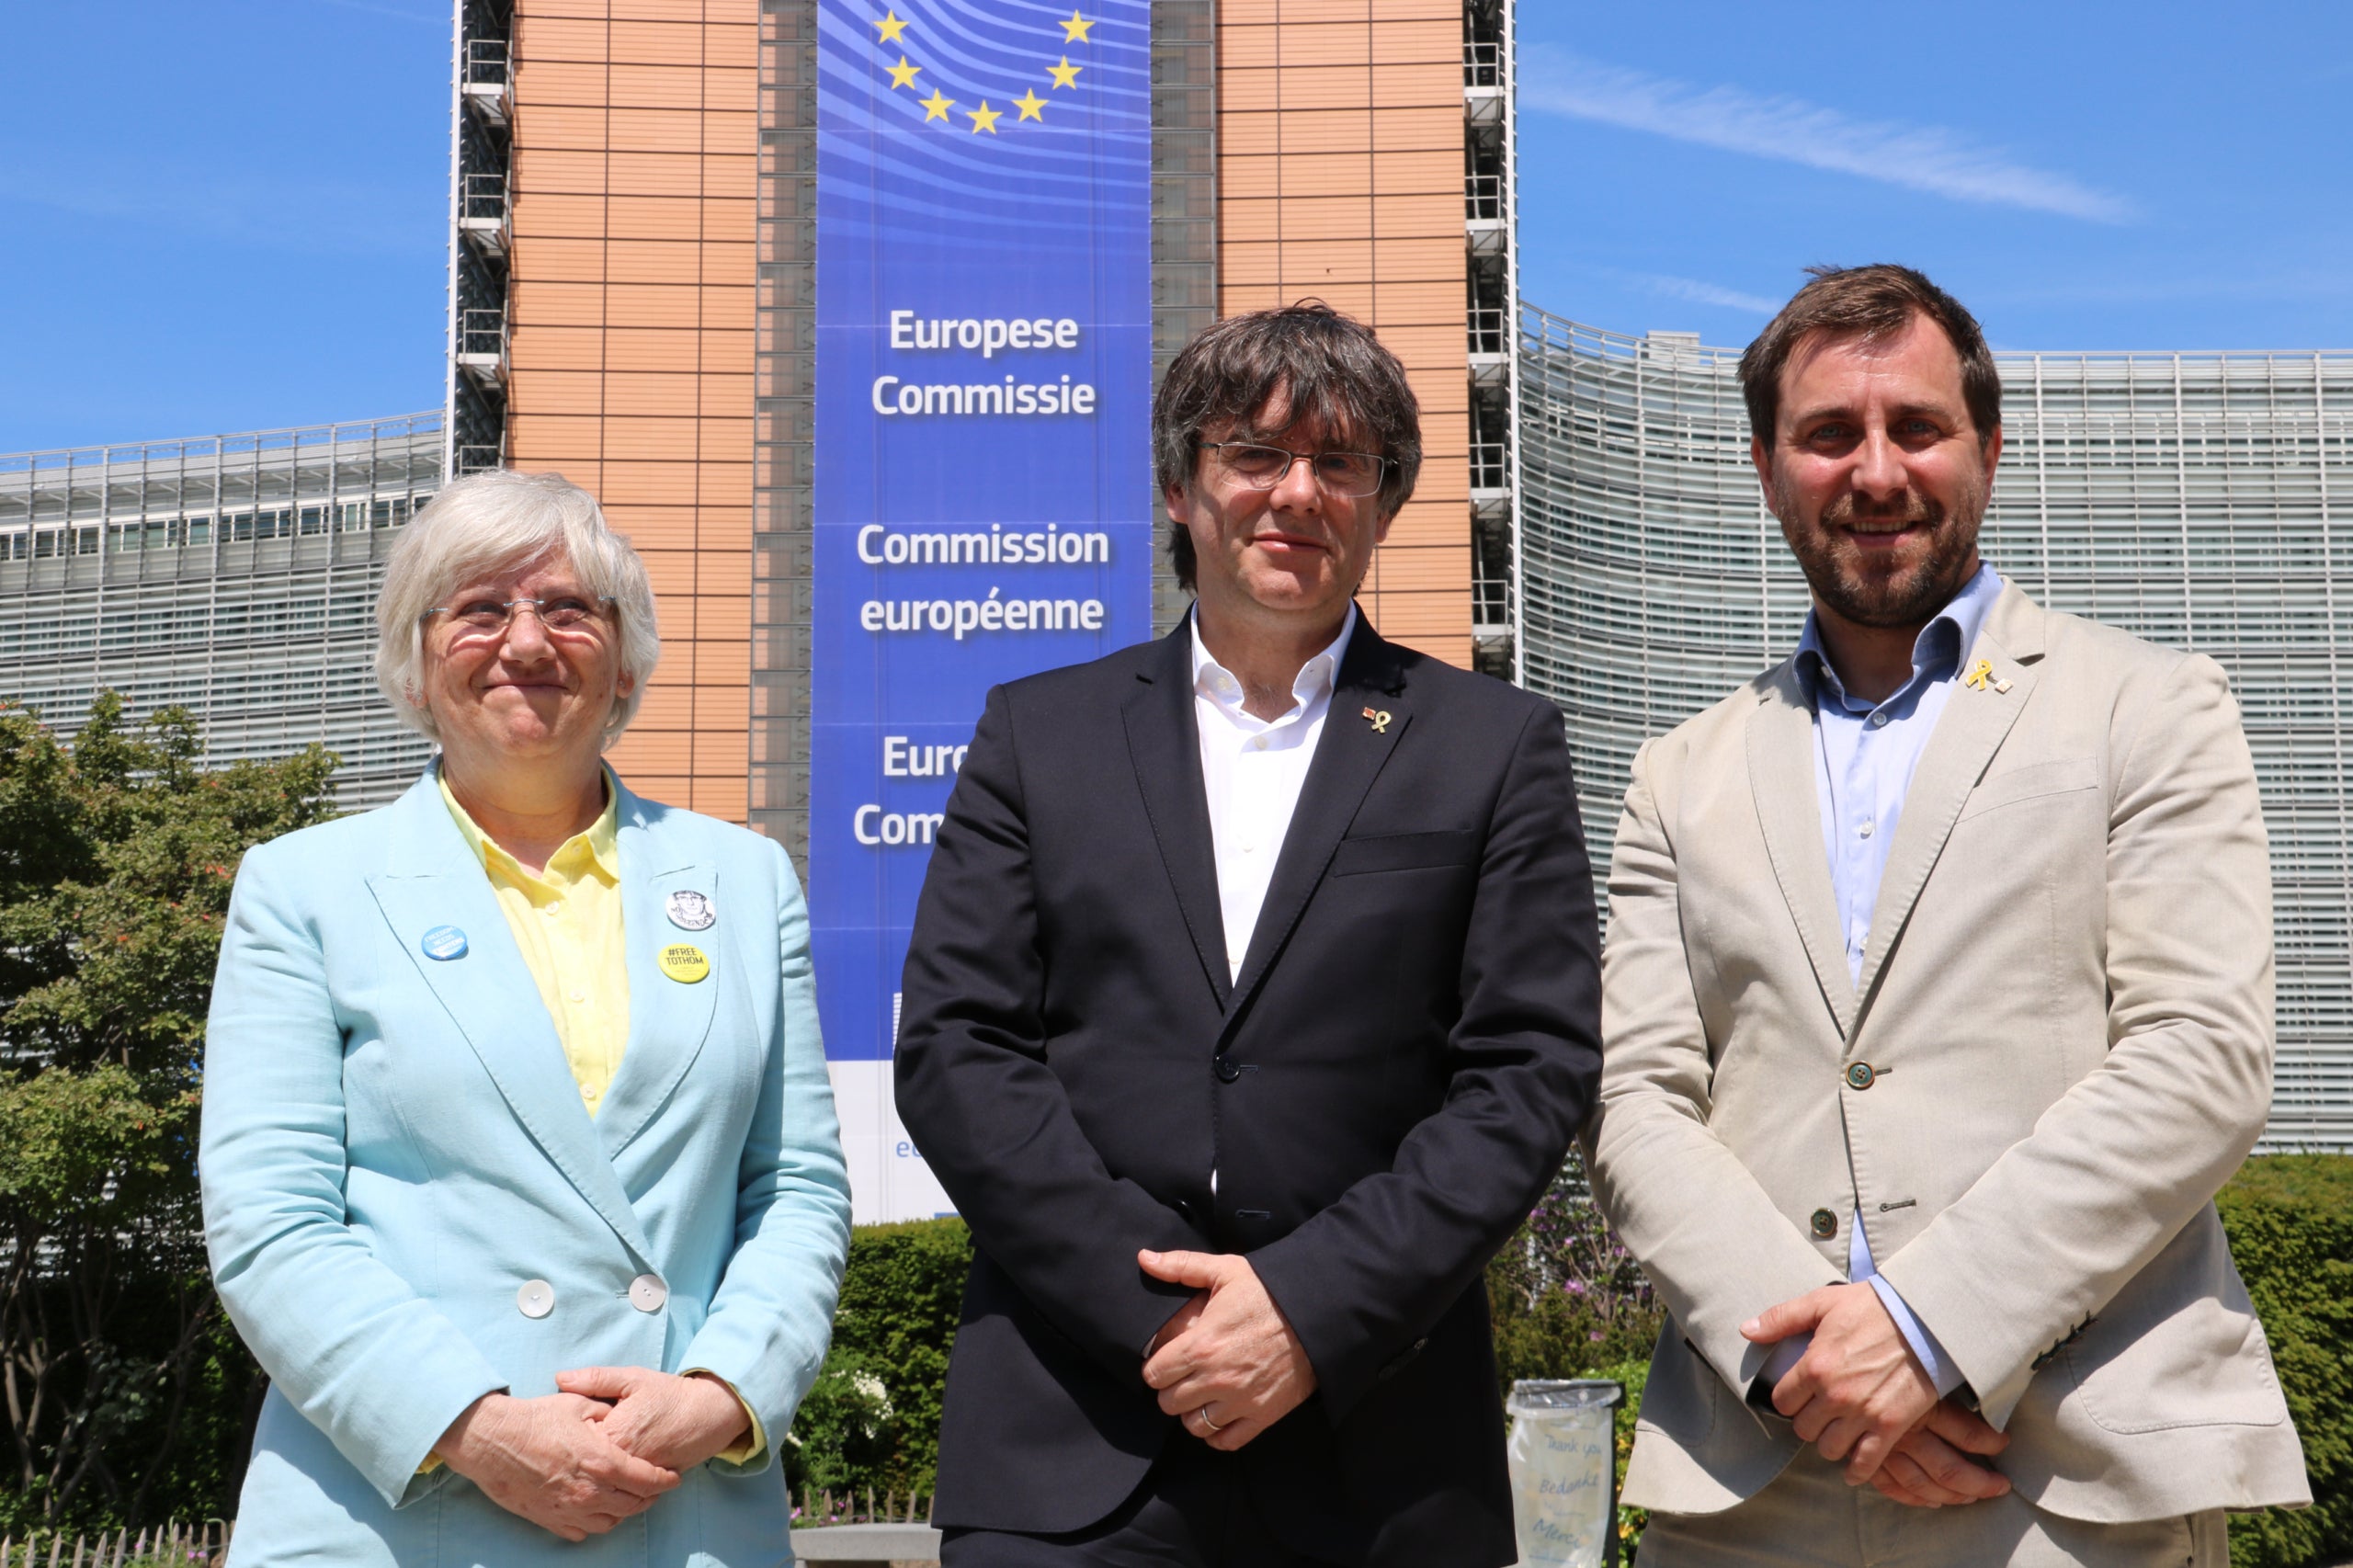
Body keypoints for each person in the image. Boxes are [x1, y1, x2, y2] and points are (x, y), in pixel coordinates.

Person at [1586, 265, 2310, 1564]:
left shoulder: (2151, 706)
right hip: (1756, 1482)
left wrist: (1926, 1326)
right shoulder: (1676, 771)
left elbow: (2202, 1060)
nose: (1875, 471)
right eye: (1827, 435)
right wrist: (1815, 1359)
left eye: (1915, 426)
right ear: (1766, 467)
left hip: (2059, 1475)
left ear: (1987, 445)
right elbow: (1634, 1101)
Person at [892, 301, 1604, 1567]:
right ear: (1181, 486)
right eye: (1254, 455)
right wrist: (1160, 1316)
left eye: (1342, 463)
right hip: (1074, 1446)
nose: (1298, 493)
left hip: (1381, 1454)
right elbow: (960, 1052)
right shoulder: (1034, 736)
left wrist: (1309, 1309)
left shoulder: (1493, 748)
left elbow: (1528, 1073)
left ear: (1386, 503)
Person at [199, 470, 851, 1564]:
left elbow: (793, 1187)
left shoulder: (745, 879)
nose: (526, 640)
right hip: (400, 1512)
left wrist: (723, 1389)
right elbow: (272, 1223)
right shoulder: (303, 887)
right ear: (415, 659)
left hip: (677, 1505)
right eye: (479, 609)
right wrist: (478, 1425)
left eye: (567, 607)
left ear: (626, 656)